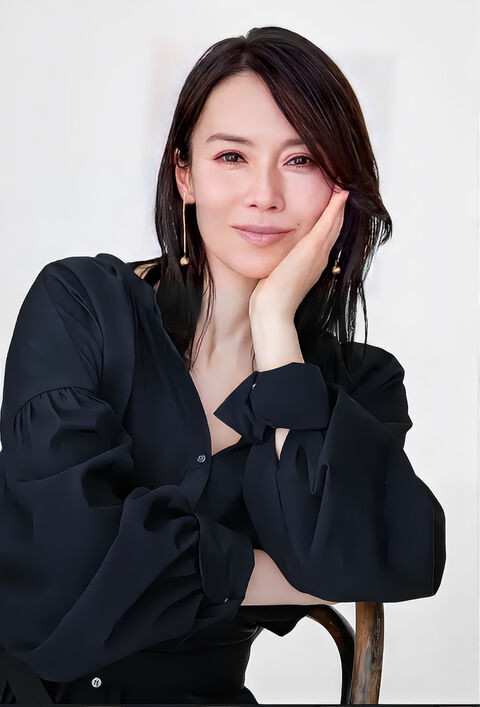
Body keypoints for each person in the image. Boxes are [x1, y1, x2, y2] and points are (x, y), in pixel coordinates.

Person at [0, 25, 446, 705]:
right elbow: (59, 572)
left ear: (341, 188)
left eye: (302, 159)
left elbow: (393, 561)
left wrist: (274, 328)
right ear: (186, 174)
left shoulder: (361, 384)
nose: (264, 194)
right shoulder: (81, 306)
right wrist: (263, 570)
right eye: (232, 156)